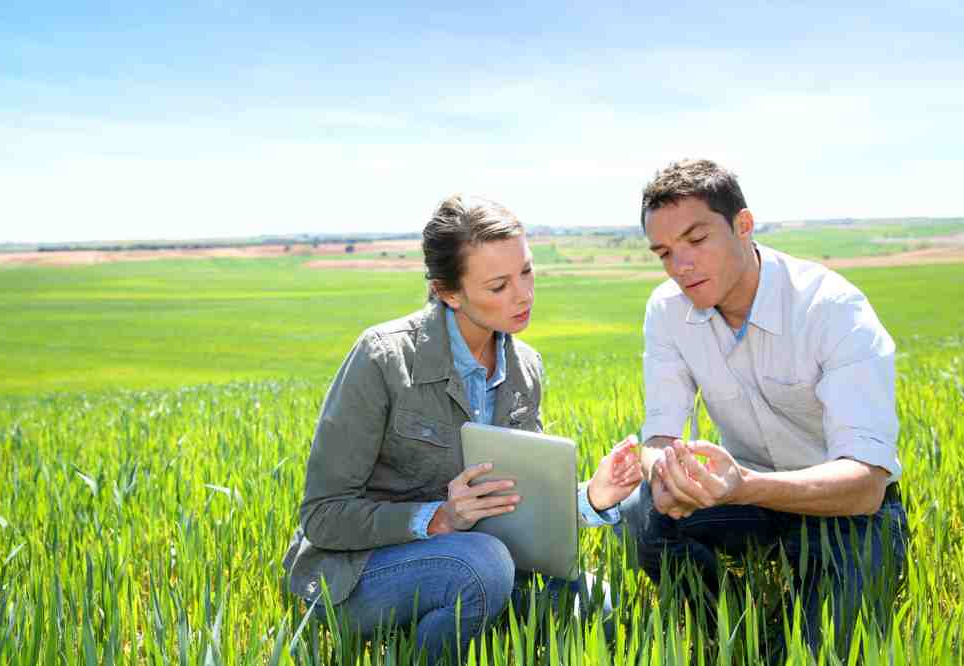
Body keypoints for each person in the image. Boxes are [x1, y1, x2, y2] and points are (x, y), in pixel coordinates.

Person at [283, 194, 642, 665]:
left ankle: (447, 626)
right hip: (358, 573)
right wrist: (438, 519)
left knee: (594, 599)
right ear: (448, 292)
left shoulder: (525, 368)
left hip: (473, 561)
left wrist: (593, 497)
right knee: (482, 565)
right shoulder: (383, 358)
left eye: (527, 272)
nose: (524, 295)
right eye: (499, 285)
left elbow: (518, 502)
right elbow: (323, 515)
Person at [624, 159, 908, 657]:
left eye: (696, 240)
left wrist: (745, 486)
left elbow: (866, 483)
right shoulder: (667, 309)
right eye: (665, 252)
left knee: (817, 652)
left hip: (841, 508)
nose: (680, 265)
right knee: (642, 511)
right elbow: (659, 435)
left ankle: (783, 632)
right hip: (744, 499)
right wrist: (667, 474)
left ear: (743, 225)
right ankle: (730, 624)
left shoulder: (832, 309)